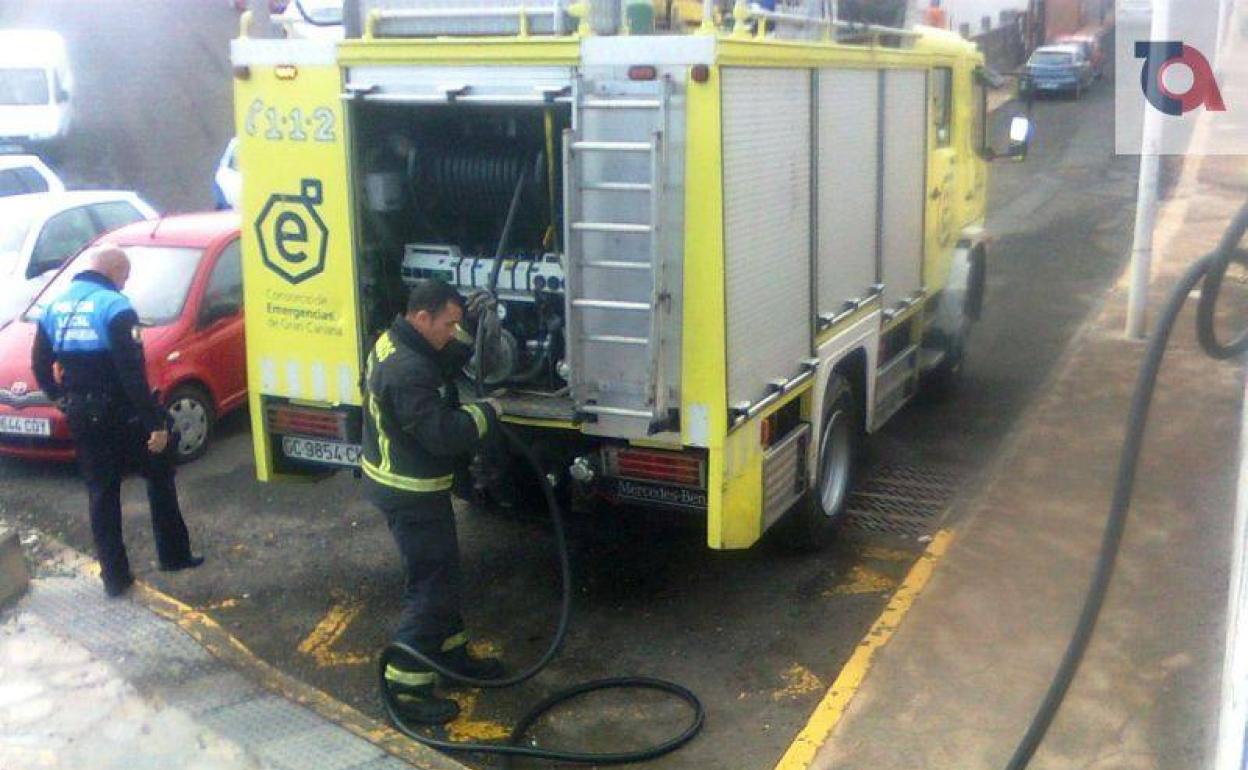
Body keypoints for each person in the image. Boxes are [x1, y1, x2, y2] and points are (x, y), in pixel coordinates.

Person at [362, 278, 505, 725]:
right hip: (410, 493)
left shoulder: (395, 340)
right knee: (431, 587)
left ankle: (451, 657)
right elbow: (443, 435)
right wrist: (488, 412)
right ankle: (405, 688)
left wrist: (474, 325)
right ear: (422, 317)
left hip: (408, 485)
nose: (451, 331)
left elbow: (440, 356)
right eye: (449, 323)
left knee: (441, 577)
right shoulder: (407, 369)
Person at [31, 246, 203, 597]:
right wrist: (155, 423)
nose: (126, 283)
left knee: (102, 493)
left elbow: (39, 366)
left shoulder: (54, 307)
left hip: (82, 415)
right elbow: (132, 375)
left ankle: (115, 577)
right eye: (125, 275)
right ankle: (174, 555)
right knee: (159, 473)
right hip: (123, 416)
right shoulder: (115, 307)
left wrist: (61, 399)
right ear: (112, 270)